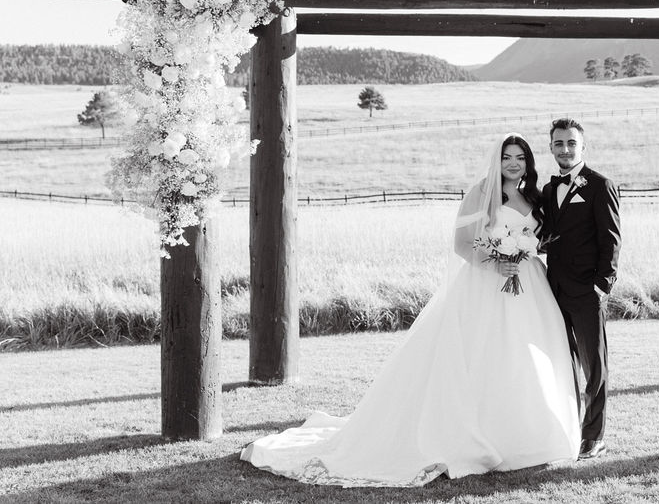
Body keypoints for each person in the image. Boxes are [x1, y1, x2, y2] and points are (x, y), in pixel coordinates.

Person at [240, 134, 580, 487]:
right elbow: (461, 244)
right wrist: (496, 263)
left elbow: (540, 240)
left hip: (528, 290)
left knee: (525, 360)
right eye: (507, 157)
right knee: (483, 356)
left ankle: (527, 435)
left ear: (528, 162)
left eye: (520, 158)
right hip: (486, 285)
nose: (513, 163)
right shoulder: (482, 193)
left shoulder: (535, 197)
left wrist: (523, 253)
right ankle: (478, 435)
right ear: (498, 161)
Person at [542, 118, 621, 460]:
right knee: (562, 362)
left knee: (594, 365)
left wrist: (602, 285)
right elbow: (548, 236)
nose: (565, 149)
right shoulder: (548, 189)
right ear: (551, 148)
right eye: (559, 143)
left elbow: (612, 240)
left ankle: (594, 436)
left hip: (587, 291)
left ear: (582, 147)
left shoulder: (600, 185)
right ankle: (568, 427)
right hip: (553, 289)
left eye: (571, 143)